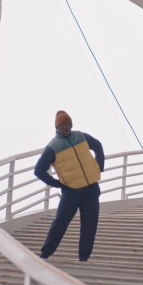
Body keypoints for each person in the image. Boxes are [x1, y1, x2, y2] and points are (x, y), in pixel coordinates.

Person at [33, 110, 104, 262]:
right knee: (60, 224)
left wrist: (99, 168)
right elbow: (39, 170)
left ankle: (83, 258)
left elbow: (98, 146)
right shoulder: (53, 146)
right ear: (56, 128)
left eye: (68, 124)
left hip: (91, 189)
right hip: (71, 192)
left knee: (90, 225)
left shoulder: (81, 136)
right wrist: (58, 184)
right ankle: (45, 255)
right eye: (62, 125)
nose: (65, 127)